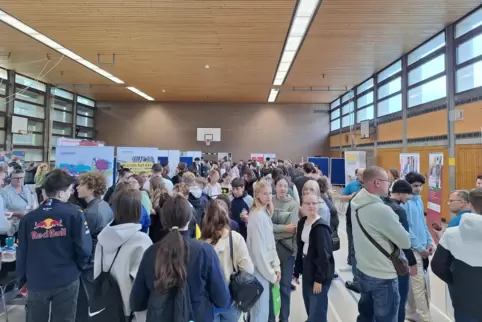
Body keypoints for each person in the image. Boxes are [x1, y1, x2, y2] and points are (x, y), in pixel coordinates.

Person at [129, 195, 230, 322]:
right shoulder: (205, 251)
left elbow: (136, 302)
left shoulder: (151, 252)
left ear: (163, 220)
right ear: (189, 218)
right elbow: (222, 299)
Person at [17, 169, 92, 322]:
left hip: (37, 279)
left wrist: (22, 279)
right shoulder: (75, 214)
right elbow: (84, 248)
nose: (71, 194)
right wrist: (78, 268)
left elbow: (22, 252)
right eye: (70, 191)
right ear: (61, 193)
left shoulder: (28, 219)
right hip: (67, 277)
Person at [351, 166, 411, 322]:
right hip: (383, 276)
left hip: (363, 270)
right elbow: (405, 241)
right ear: (377, 183)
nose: (389, 185)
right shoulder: (382, 210)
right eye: (387, 181)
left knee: (365, 315)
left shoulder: (356, 202)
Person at [94, 188, 153, 322]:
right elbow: (143, 285)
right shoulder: (141, 240)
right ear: (138, 210)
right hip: (130, 312)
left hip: (105, 308)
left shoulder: (102, 238)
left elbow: (97, 273)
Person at [431, 188, 482, 322]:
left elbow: (437, 266)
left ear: (470, 204)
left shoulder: (452, 233)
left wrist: (455, 281)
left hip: (464, 299)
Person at [201, 200, 254, 322]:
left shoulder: (201, 243)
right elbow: (248, 269)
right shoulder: (235, 238)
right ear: (227, 216)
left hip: (209, 301)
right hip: (232, 299)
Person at [294, 192, 334, 322]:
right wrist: (297, 270)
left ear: (318, 205)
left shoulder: (320, 227)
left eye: (314, 203)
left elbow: (324, 256)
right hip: (307, 266)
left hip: (318, 270)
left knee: (317, 305)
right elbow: (300, 248)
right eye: (307, 203)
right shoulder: (302, 223)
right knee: (308, 300)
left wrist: (319, 280)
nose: (311, 206)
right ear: (302, 205)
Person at [382, 180, 417, 322]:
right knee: (400, 300)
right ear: (401, 193)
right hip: (398, 260)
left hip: (381, 259)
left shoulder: (381, 205)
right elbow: (404, 241)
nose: (409, 198)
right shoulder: (399, 210)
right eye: (409, 194)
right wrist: (412, 262)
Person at [246, 179, 281, 322]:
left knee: (263, 312)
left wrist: (276, 266)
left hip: (265, 271)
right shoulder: (258, 217)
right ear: (257, 195)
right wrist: (272, 274)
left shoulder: (264, 214)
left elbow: (270, 244)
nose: (268, 196)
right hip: (259, 272)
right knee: (260, 313)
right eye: (265, 193)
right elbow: (259, 252)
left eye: (270, 193)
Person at [403, 172, 433, 322]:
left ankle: (410, 312)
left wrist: (429, 241)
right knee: (419, 286)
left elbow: (422, 224)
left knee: (415, 284)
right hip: (413, 250)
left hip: (423, 248)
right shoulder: (405, 203)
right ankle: (425, 318)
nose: (418, 189)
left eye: (420, 186)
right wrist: (420, 248)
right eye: (415, 186)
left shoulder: (419, 201)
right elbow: (407, 230)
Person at [269, 176, 300, 322]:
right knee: (270, 285)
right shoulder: (270, 201)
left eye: (285, 186)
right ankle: (270, 317)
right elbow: (265, 226)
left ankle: (284, 319)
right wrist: (282, 228)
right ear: (275, 186)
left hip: (286, 250)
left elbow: (292, 229)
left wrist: (273, 229)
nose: (282, 188)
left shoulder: (293, 204)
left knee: (285, 288)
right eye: (280, 185)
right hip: (270, 249)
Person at [77, 172, 114, 255]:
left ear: (91, 189)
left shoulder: (91, 213)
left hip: (92, 257)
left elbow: (83, 240)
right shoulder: (104, 204)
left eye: (81, 185)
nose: (77, 187)